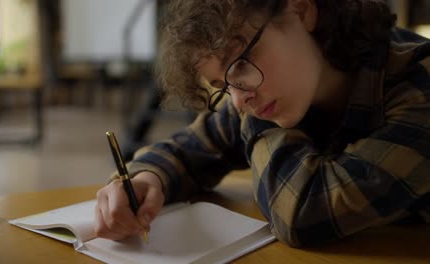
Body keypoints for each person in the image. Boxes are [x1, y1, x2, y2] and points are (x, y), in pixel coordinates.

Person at [94, 0, 430, 247]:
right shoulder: (285, 85)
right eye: (222, 86)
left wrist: (258, 118)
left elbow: (303, 212)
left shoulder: (419, 84)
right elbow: (191, 149)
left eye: (240, 62)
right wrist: (148, 177)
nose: (238, 100)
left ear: (301, 11)